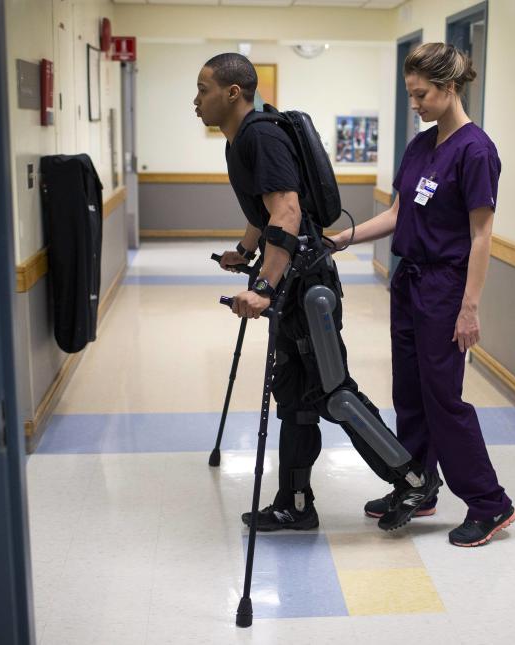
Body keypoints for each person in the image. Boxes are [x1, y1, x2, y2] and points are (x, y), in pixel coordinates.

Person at [194, 53, 440, 532]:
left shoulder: (260, 136)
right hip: (294, 280)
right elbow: (264, 209)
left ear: (233, 93)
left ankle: (413, 479)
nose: (195, 100)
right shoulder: (241, 139)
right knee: (296, 398)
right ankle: (296, 503)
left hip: (308, 287)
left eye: (203, 89)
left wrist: (263, 286)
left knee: (334, 392)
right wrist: (245, 253)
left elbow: (286, 211)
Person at [329, 43, 515, 547]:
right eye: (411, 95)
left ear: (449, 87)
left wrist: (469, 308)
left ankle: (489, 502)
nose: (415, 104)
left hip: (445, 287)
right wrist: (339, 239)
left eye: (422, 94)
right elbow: (397, 216)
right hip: (409, 280)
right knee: (408, 391)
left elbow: (482, 236)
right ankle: (415, 484)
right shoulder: (420, 146)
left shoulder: (476, 151)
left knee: (442, 398)